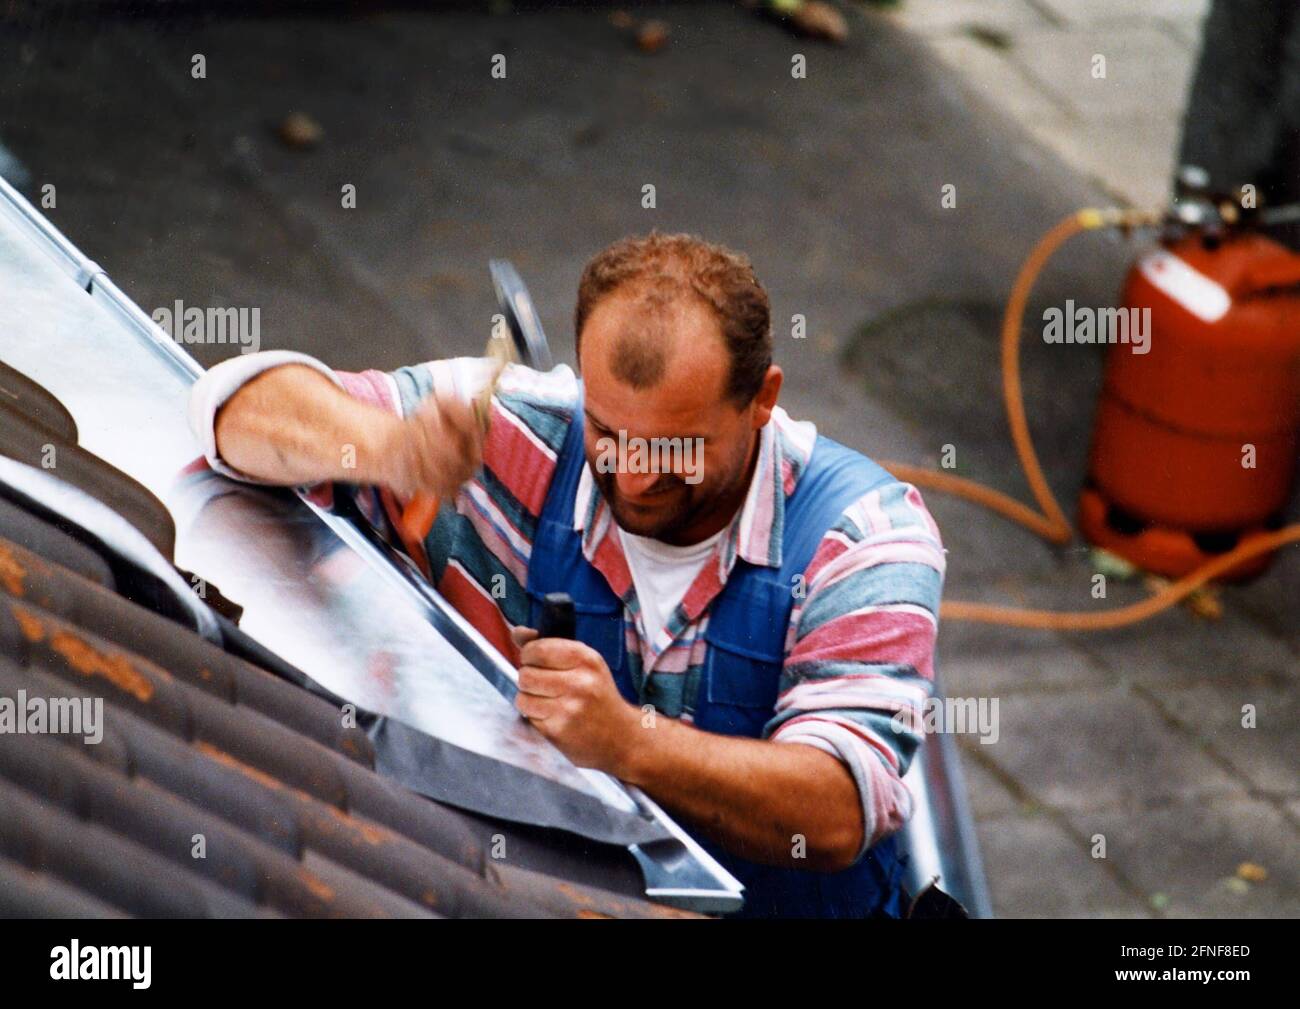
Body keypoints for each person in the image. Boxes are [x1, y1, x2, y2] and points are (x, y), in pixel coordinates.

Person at [188, 232, 945, 918]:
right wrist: (384, 447)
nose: (637, 479)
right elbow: (236, 410)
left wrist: (628, 741)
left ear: (762, 400)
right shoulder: (526, 436)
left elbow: (838, 807)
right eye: (610, 434)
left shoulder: (863, 542)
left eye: (675, 448)